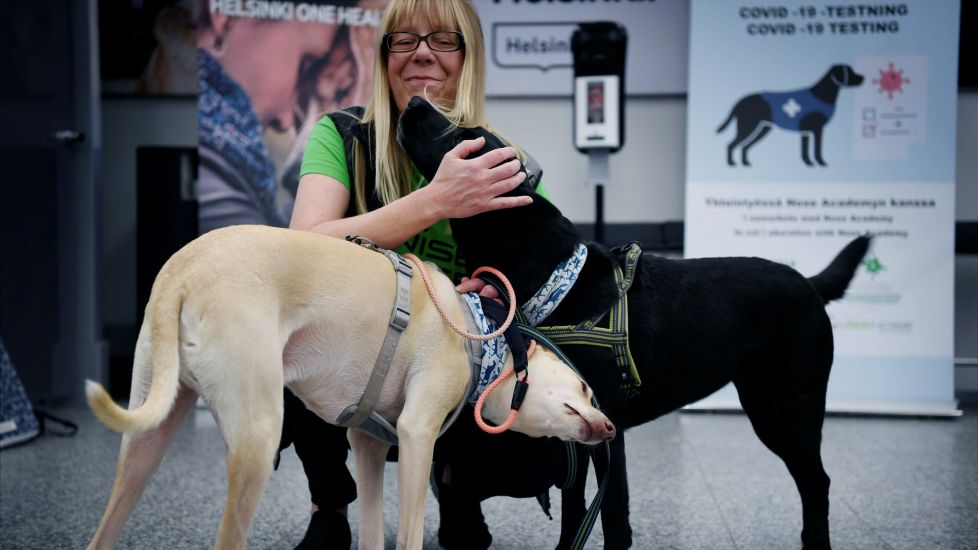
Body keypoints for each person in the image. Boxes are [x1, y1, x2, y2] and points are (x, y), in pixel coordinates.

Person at [285, 0, 546, 547]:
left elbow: (540, 276)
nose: (421, 53)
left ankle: (460, 493)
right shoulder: (343, 135)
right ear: (383, 58)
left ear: (468, 56)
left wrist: (500, 291)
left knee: (516, 349)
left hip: (448, 364)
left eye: (442, 40)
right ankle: (329, 504)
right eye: (403, 40)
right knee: (296, 327)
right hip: (349, 355)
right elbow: (303, 246)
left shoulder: (502, 161)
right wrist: (436, 201)